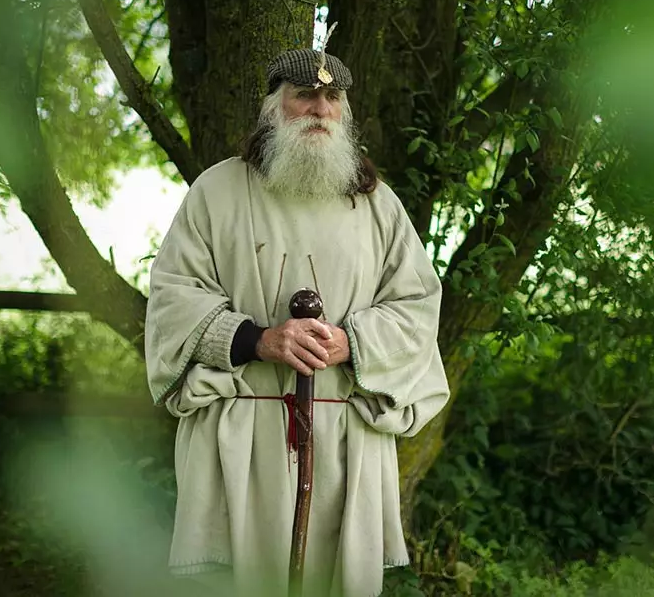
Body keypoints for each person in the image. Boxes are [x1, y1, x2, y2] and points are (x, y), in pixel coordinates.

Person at [144, 47, 450, 597]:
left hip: (344, 440)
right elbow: (172, 298)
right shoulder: (217, 192)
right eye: (304, 94)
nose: (320, 108)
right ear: (272, 106)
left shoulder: (377, 205)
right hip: (242, 436)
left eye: (333, 97)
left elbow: (416, 306)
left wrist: (350, 343)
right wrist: (256, 339)